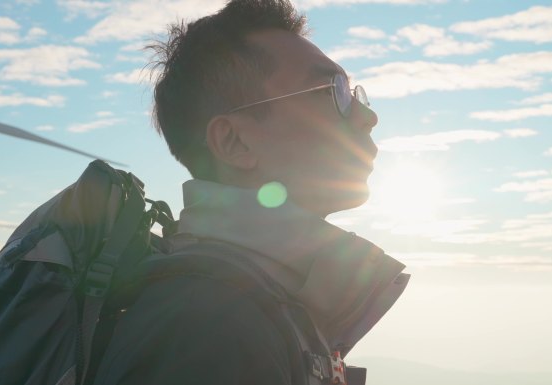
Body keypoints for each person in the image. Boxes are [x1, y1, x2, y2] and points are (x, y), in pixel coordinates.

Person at [91, 0, 409, 384]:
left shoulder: (263, 297)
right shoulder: (210, 325)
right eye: (332, 91)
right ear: (235, 142)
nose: (368, 116)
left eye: (352, 91)